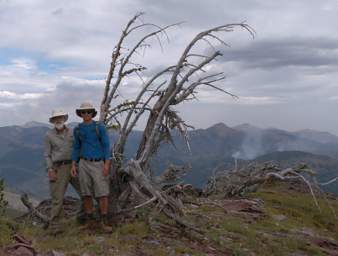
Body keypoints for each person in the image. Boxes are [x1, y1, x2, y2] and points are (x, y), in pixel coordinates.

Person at [71, 102, 112, 232]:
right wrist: (74, 164)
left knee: (102, 193)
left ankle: (103, 222)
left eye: (88, 112)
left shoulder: (99, 127)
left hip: (98, 163)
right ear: (80, 114)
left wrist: (107, 164)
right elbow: (76, 147)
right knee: (86, 193)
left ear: (92, 113)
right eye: (84, 112)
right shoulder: (77, 129)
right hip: (83, 163)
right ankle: (90, 222)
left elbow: (106, 146)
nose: (86, 114)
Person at [44, 109, 82, 234]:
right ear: (53, 121)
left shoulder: (72, 132)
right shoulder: (49, 135)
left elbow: (78, 147)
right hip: (58, 168)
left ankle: (84, 218)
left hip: (74, 166)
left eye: (60, 117)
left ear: (64, 119)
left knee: (85, 192)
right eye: (55, 118)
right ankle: (55, 226)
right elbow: (47, 154)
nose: (58, 120)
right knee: (57, 198)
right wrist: (50, 169)